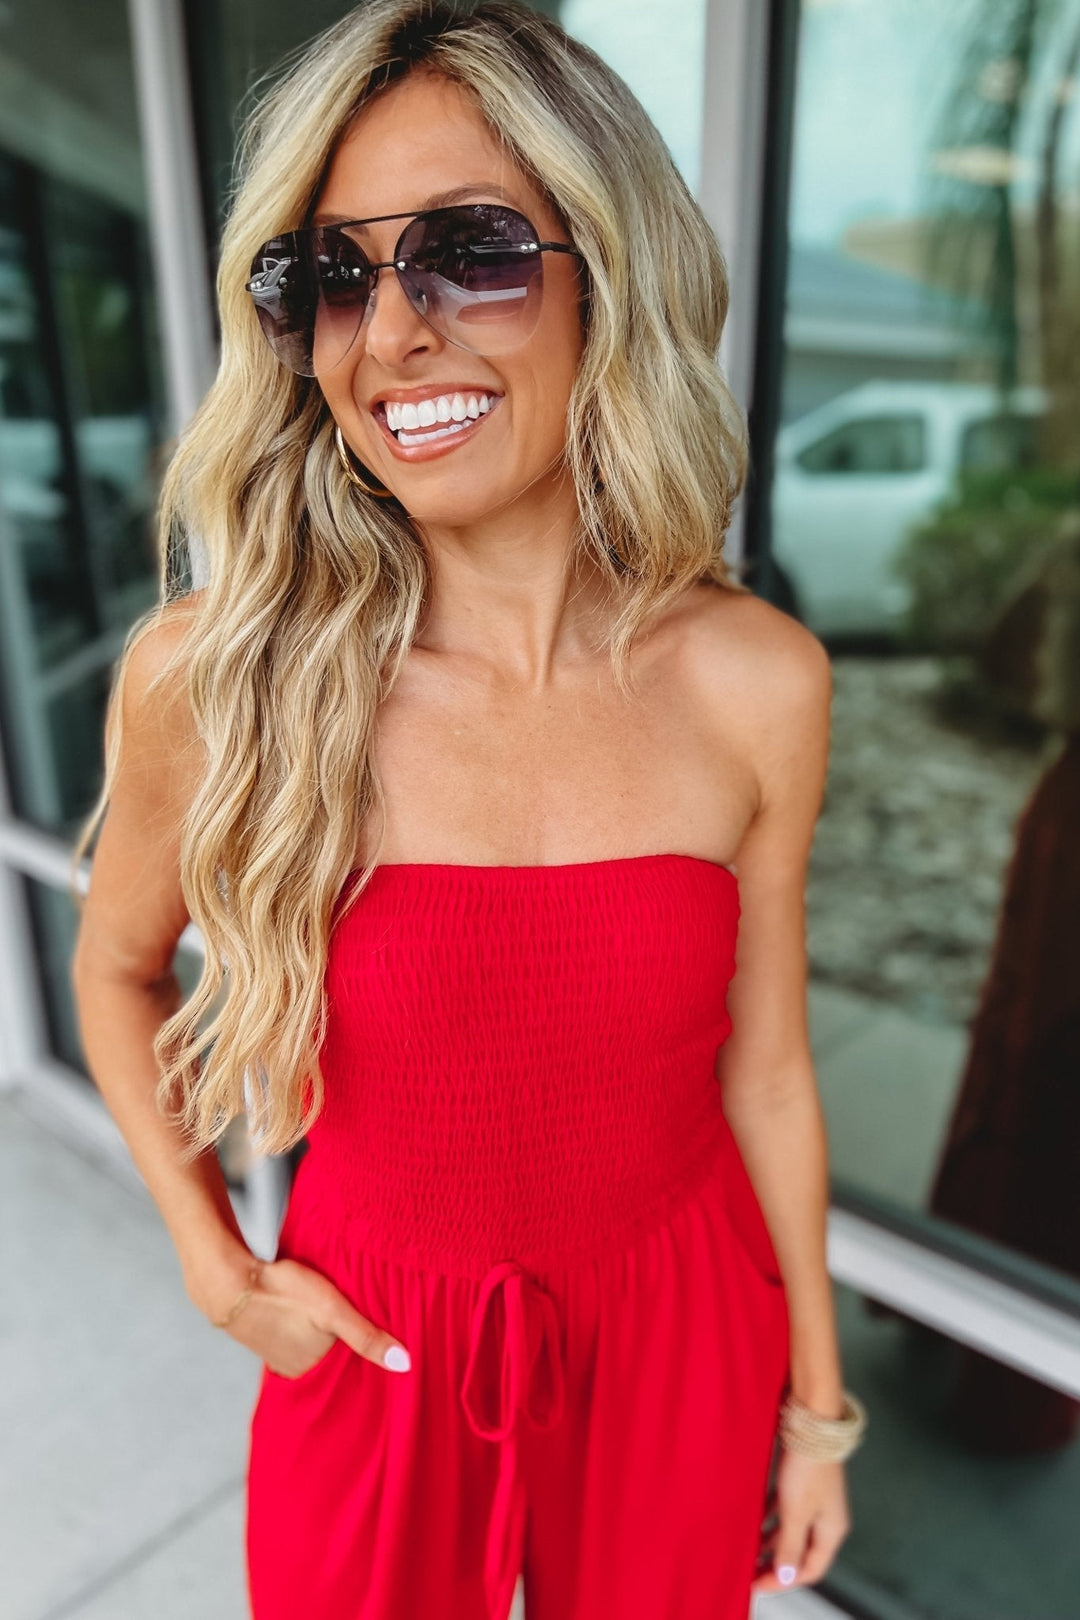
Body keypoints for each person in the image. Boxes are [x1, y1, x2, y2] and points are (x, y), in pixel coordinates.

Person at [70, 3, 865, 1617]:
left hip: (684, 1326)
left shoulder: (757, 680)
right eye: (331, 276)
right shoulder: (217, 680)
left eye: (470, 254)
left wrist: (818, 1411)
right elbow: (114, 968)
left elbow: (770, 1073)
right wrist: (219, 1269)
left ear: (610, 276)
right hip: (377, 1341)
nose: (389, 334)